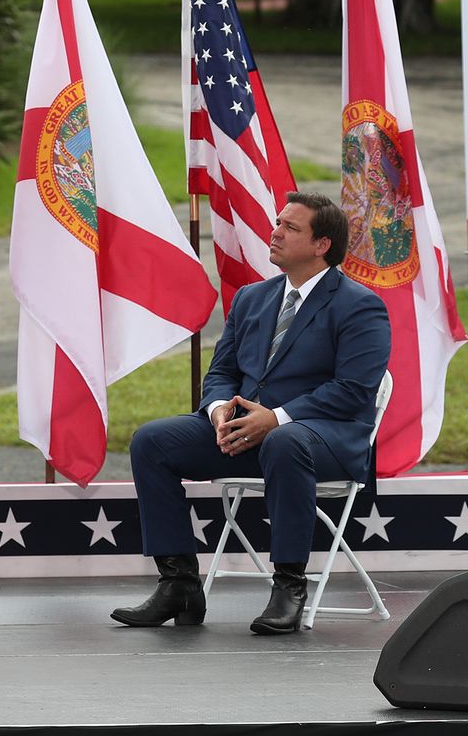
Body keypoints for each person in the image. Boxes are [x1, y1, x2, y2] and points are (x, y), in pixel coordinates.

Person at [112, 191, 390, 635]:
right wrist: (221, 410)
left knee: (284, 440)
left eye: (290, 228)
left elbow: (353, 392)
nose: (275, 232)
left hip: (323, 440)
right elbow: (222, 371)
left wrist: (276, 417)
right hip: (247, 434)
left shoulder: (360, 305)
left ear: (322, 245)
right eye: (277, 223)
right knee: (153, 440)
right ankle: (179, 583)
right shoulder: (250, 298)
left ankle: (289, 586)